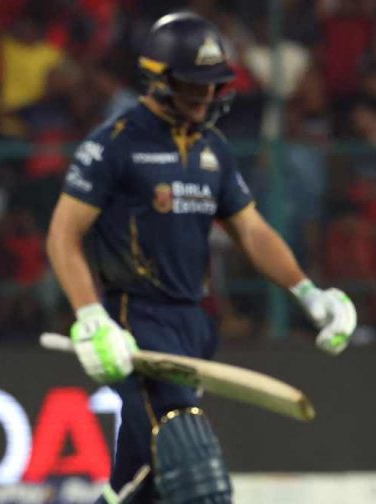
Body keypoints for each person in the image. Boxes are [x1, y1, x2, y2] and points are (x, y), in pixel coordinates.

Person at [45, 13, 357, 504]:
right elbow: (63, 234)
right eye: (195, 87)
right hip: (135, 322)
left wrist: (307, 292)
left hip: (194, 324)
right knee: (195, 473)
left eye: (213, 87)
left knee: (141, 477)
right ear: (159, 79)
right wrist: (91, 316)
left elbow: (252, 230)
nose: (207, 98)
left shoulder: (214, 149)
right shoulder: (116, 143)